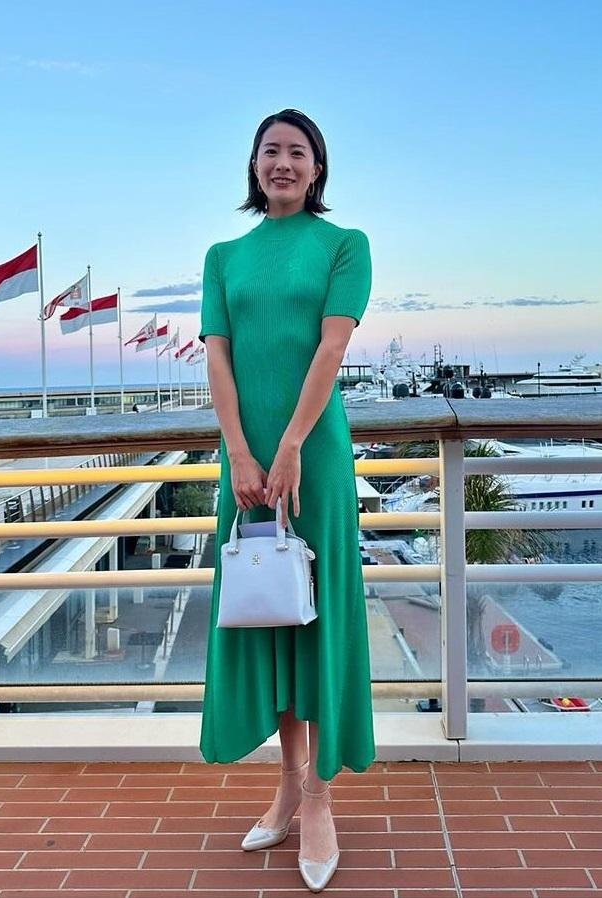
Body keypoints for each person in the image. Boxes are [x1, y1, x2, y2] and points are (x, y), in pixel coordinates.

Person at [198, 108, 375, 893]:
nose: (282, 162)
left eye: (296, 152)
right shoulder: (223, 256)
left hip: (315, 454)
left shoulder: (344, 245)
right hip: (243, 459)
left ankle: (319, 799)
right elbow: (218, 358)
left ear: (317, 167)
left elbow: (331, 347)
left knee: (318, 614)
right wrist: (239, 452)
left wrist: (294, 444)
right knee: (266, 611)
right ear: (253, 164)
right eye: (269, 150)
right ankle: (285, 785)